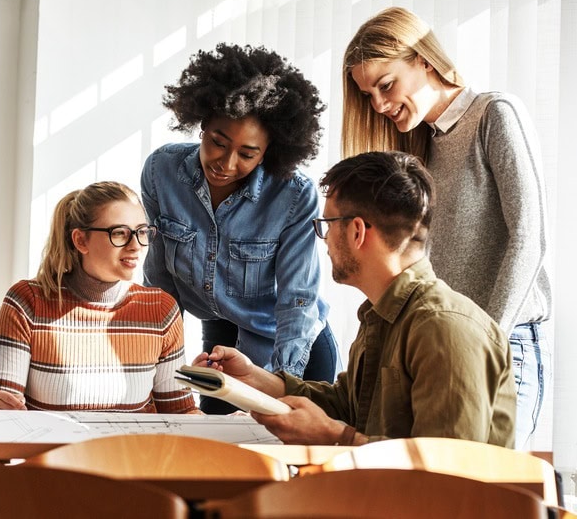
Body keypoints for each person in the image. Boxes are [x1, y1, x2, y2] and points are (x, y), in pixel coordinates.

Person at [198, 151, 516, 447]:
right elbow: (349, 405)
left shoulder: (444, 329)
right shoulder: (381, 314)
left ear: (357, 231)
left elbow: (445, 470)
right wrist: (254, 379)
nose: (324, 241)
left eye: (326, 225)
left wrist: (333, 437)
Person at [340, 7, 551, 449]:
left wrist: (486, 341)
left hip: (502, 344)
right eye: (368, 95)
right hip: (442, 350)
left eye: (385, 85)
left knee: (478, 480)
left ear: (424, 60)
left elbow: (529, 239)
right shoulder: (420, 147)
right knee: (431, 480)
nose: (378, 105)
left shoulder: (494, 115)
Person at [141, 43, 341, 414]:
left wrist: (283, 384)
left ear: (269, 152)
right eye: (218, 142)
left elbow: (297, 300)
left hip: (292, 347)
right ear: (202, 125)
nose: (226, 163)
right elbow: (160, 286)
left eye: (247, 154)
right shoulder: (161, 172)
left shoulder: (294, 196)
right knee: (215, 445)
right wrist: (158, 374)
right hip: (222, 338)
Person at [0, 181, 199, 414]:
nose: (136, 246)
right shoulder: (27, 301)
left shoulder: (161, 309)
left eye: (142, 232)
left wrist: (227, 410)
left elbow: (180, 413)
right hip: (53, 440)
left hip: (135, 441)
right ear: (80, 241)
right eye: (120, 233)